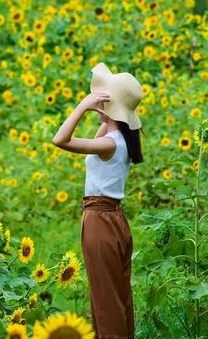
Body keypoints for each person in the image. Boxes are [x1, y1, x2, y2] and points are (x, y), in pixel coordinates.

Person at [51, 62, 144, 339]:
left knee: (106, 301)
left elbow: (60, 139)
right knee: (118, 295)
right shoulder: (118, 138)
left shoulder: (110, 143)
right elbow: (97, 139)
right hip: (115, 219)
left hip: (100, 221)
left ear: (109, 105)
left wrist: (82, 106)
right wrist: (103, 114)